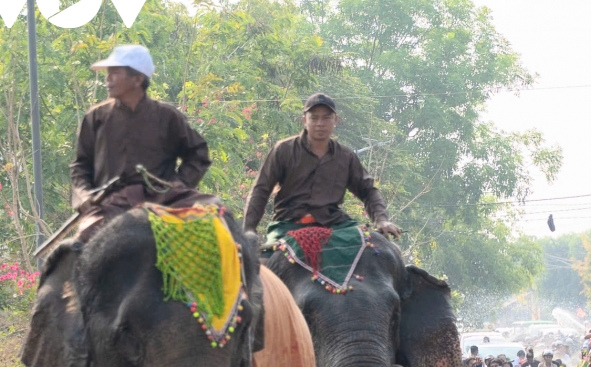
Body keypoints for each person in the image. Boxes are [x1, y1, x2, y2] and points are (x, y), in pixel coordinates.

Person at [71, 45, 211, 240]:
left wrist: (180, 183)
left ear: (137, 79)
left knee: (217, 216)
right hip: (110, 204)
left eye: (115, 73)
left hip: (164, 201)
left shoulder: (167, 116)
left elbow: (198, 154)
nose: (107, 79)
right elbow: (81, 165)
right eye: (108, 73)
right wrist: (84, 196)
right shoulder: (96, 117)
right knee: (78, 249)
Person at [244, 93, 401, 239]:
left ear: (335, 120)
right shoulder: (283, 150)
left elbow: (368, 191)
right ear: (305, 120)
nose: (320, 123)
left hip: (335, 226)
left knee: (379, 251)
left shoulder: (345, 156)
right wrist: (248, 229)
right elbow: (261, 190)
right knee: (264, 264)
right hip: (288, 225)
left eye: (326, 118)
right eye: (314, 118)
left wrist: (382, 220)